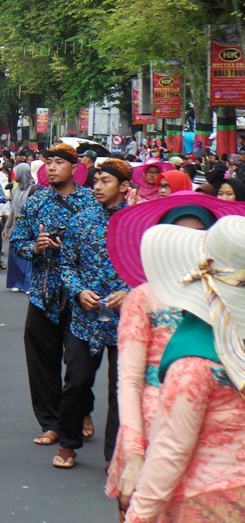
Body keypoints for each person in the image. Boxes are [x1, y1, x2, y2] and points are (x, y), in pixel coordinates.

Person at [103, 192, 245, 514]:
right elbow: (129, 380)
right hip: (150, 428)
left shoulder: (228, 308)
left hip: (210, 452)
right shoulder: (142, 298)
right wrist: (135, 451)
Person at [10, 143, 97, 447]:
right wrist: (36, 246)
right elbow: (17, 241)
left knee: (80, 366)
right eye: (48, 162)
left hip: (81, 296)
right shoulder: (36, 203)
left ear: (75, 168)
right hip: (43, 293)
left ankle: (82, 409)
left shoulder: (90, 202)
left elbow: (102, 246)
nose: (52, 167)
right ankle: (51, 423)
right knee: (42, 363)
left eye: (59, 162)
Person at [53, 159, 132, 469]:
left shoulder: (135, 224)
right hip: (85, 317)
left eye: (105, 181)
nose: (97, 186)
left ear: (124, 187)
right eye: (96, 180)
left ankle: (115, 455)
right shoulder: (81, 220)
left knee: (121, 388)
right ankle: (68, 443)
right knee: (76, 381)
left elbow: (149, 271)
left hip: (127, 320)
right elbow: (66, 265)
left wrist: (129, 292)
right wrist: (78, 291)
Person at [4, 162, 37, 292]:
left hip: (28, 226)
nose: (15, 175)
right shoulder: (16, 189)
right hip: (17, 226)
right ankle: (17, 283)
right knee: (15, 256)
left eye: (17, 173)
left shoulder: (34, 190)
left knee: (27, 259)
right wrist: (7, 228)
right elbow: (12, 211)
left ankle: (28, 284)